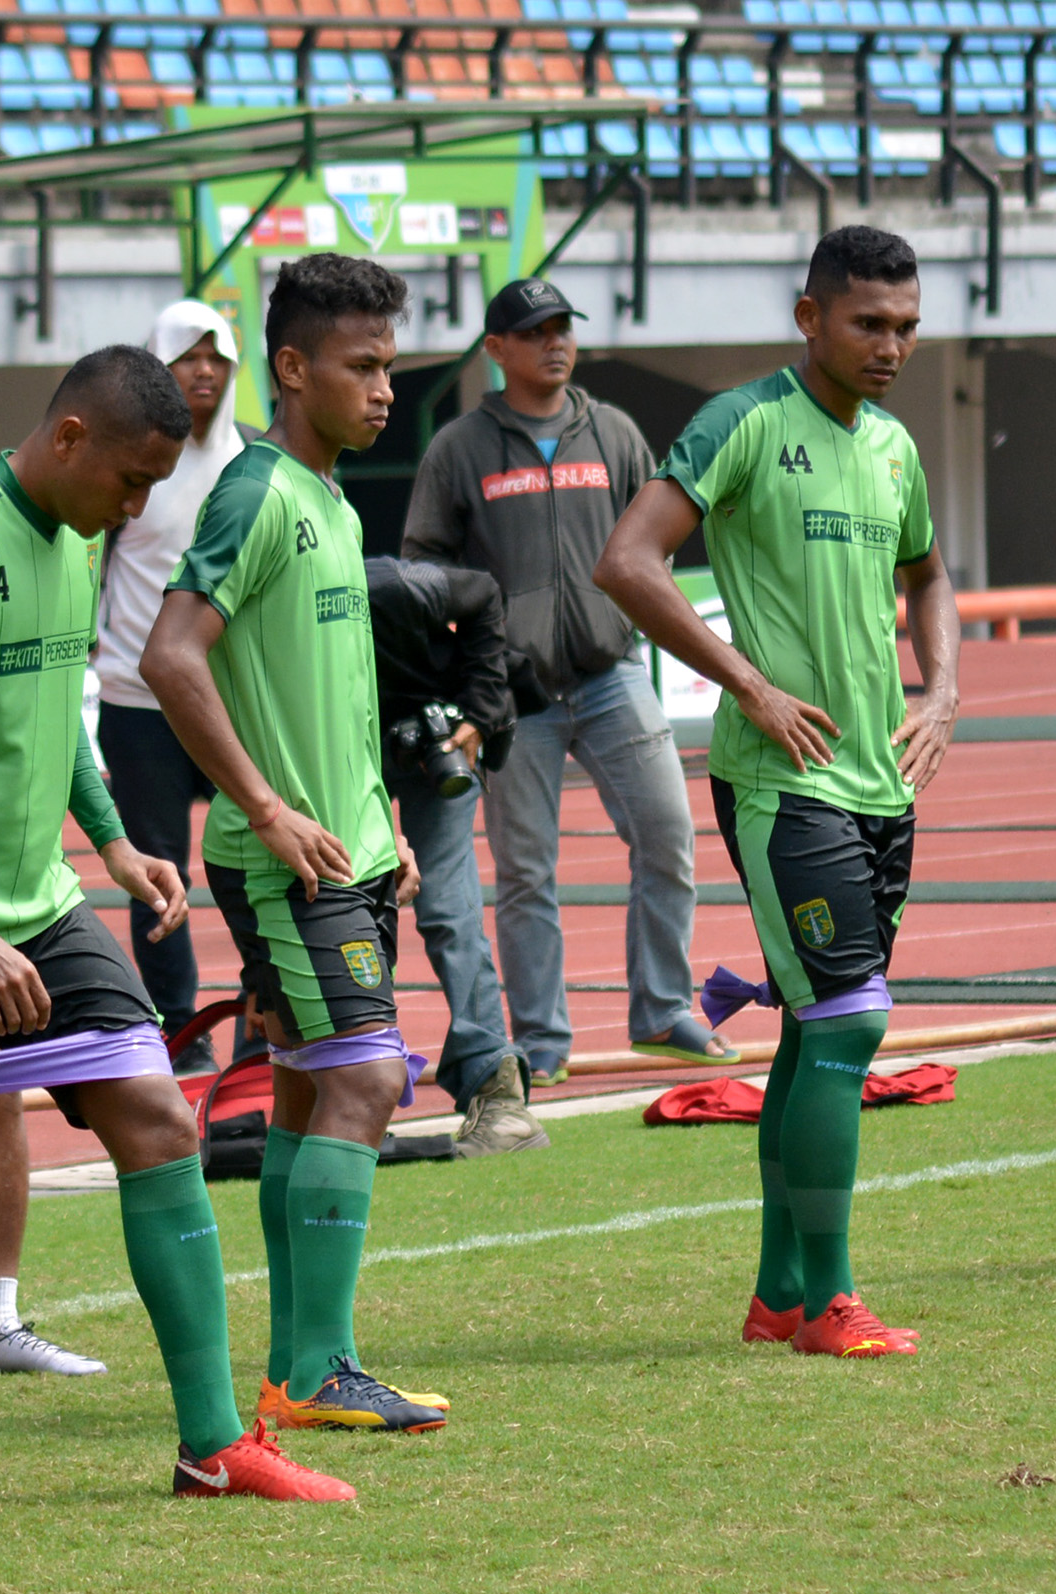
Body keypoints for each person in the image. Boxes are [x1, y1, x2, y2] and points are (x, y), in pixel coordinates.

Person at [0, 344, 357, 1504]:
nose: (135, 508)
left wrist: (110, 839)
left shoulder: (75, 540)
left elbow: (56, 709)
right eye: (130, 481)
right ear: (70, 438)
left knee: (160, 1123)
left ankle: (212, 1447)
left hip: (45, 906)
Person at [592, 226, 961, 1361]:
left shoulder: (895, 447)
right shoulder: (742, 422)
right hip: (783, 785)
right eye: (868, 324)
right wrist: (745, 685)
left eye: (905, 326)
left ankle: (778, 1296)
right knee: (851, 1019)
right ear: (811, 318)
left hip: (880, 784)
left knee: (815, 1029)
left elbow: (931, 574)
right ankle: (832, 1302)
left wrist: (942, 688)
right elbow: (627, 561)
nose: (891, 345)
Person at [141, 253, 452, 1436]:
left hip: (351, 849)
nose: (384, 390)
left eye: (391, 366)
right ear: (292, 367)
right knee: (370, 1078)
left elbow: (323, 685)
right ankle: (317, 1372)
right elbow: (173, 656)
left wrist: (378, 821)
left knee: (312, 1087)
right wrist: (268, 807)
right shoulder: (258, 491)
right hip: (287, 858)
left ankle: (302, 1367)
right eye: (362, 366)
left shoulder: (330, 496)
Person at [403, 276, 728, 1087]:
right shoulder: (459, 449)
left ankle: (661, 1006)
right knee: (526, 875)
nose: (556, 342)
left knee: (668, 837)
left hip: (614, 673)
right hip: (516, 701)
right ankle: (543, 1043)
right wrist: (482, 653)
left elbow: (656, 542)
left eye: (563, 328)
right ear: (496, 349)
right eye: (536, 330)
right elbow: (422, 570)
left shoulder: (613, 432)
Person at [95, 299, 253, 1072]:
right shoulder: (126, 462)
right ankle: (179, 1031)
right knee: (157, 874)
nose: (203, 371)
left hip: (229, 701)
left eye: (216, 357)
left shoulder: (252, 462)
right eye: (187, 356)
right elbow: (92, 574)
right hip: (134, 700)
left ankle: (268, 1020)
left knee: (261, 855)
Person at [365, 554, 547, 1155]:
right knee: (347, 905)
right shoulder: (265, 625)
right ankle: (348, 1092)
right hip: (342, 747)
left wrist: (480, 708)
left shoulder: (397, 589)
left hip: (432, 737)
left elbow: (486, 589)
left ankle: (501, 1097)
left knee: (447, 906)